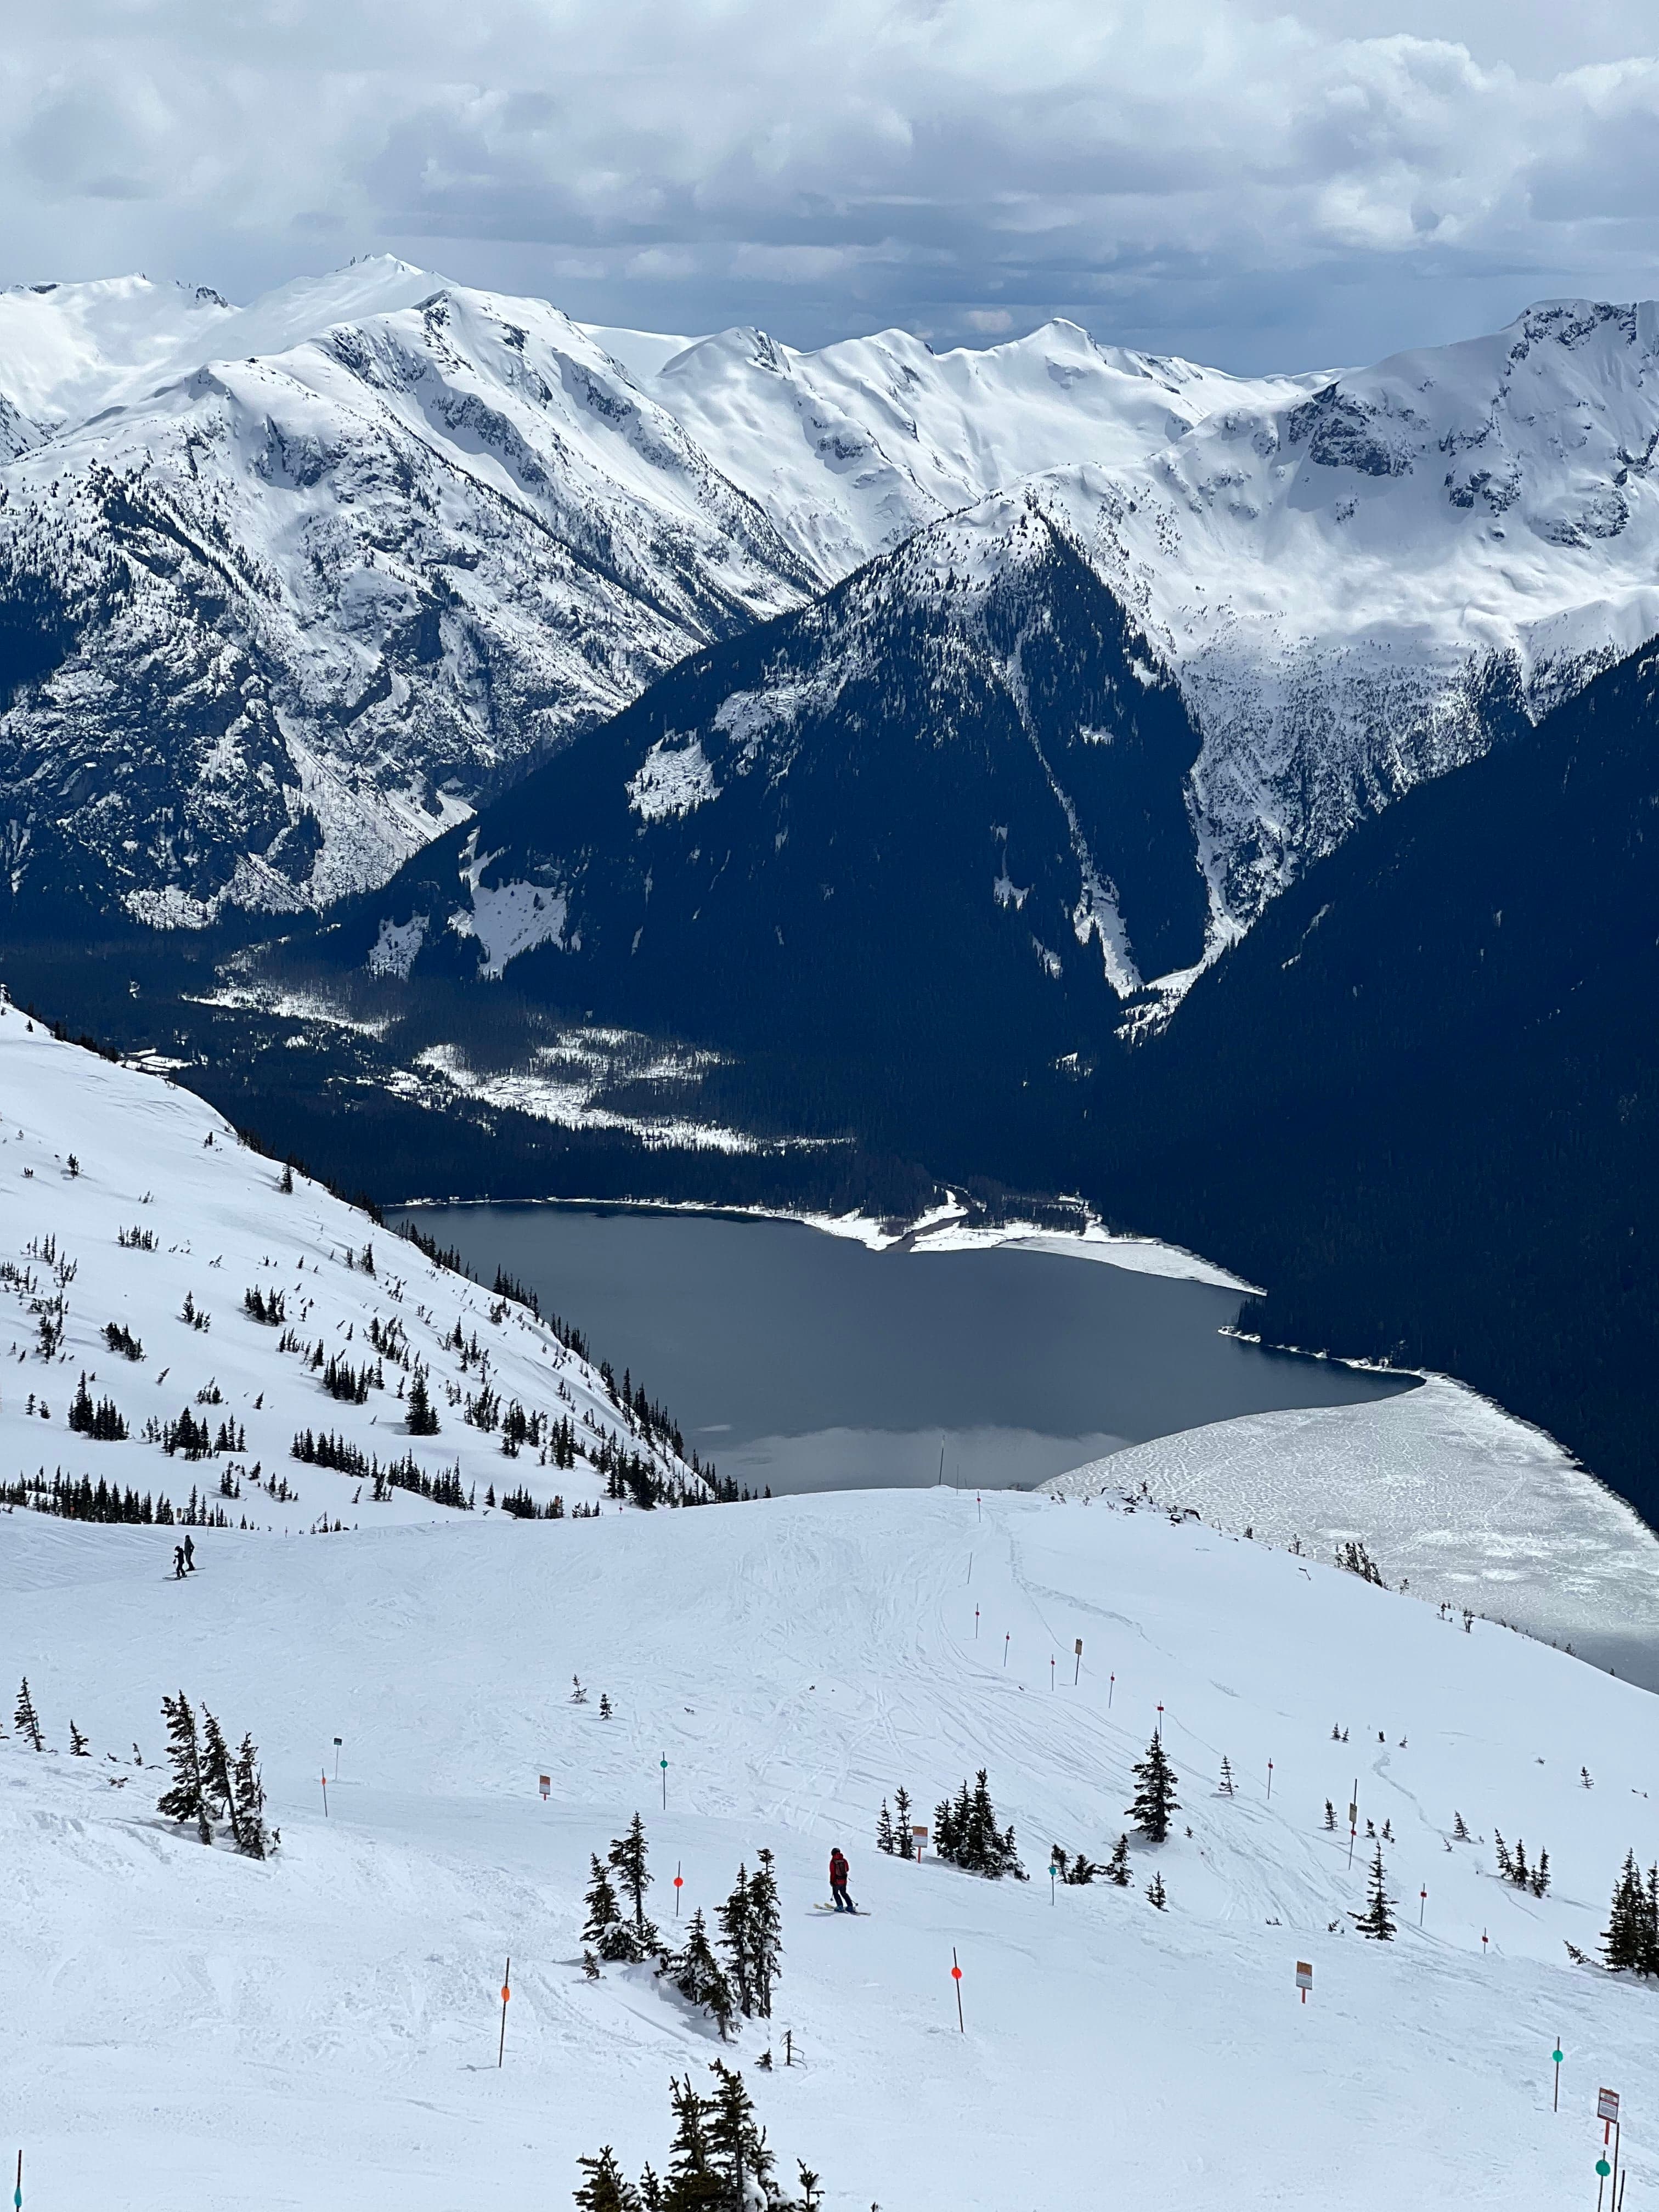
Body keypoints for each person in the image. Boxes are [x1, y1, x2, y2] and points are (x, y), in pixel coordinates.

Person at [829, 1846, 854, 1912]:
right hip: (844, 1881)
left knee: (836, 1893)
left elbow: (833, 1873)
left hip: (837, 1881)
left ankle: (840, 1907)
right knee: (844, 1893)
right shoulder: (844, 1860)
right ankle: (850, 1907)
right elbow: (847, 1869)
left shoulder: (833, 1862)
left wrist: (832, 1882)